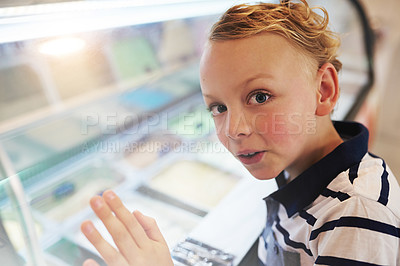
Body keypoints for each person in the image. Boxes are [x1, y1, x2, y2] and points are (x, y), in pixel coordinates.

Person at [80, 0, 400, 265]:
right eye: (218, 107)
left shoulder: (355, 218)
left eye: (260, 97)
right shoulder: (297, 168)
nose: (234, 130)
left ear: (324, 90)